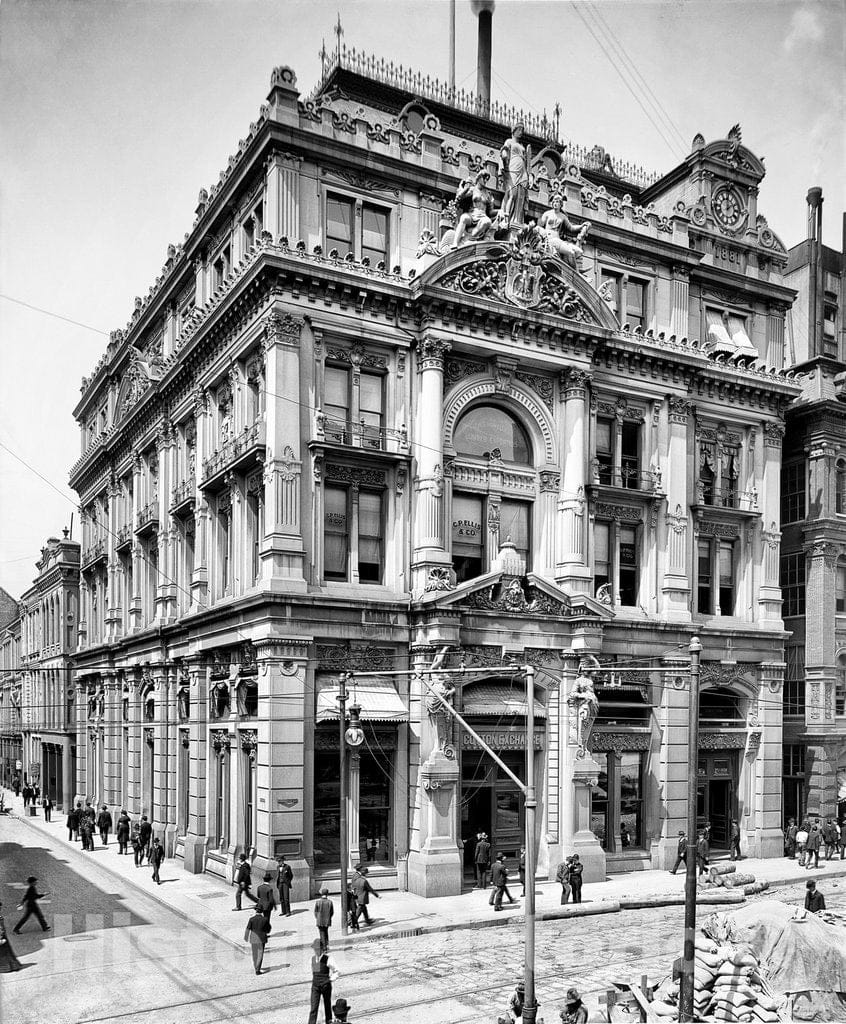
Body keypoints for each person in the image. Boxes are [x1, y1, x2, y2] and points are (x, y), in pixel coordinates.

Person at [308, 938, 339, 1024]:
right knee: (313, 1008)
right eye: (315, 949)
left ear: (322, 949)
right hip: (315, 987)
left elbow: (337, 971)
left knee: (327, 1007)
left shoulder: (328, 959)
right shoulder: (312, 959)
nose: (316, 951)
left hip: (326, 986)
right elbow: (316, 972)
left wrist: (330, 980)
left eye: (318, 949)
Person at [244, 907, 271, 975]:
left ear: (256, 911)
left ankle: (255, 965)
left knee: (255, 953)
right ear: (262, 912)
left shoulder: (251, 919)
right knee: (260, 954)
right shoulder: (265, 919)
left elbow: (248, 929)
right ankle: (257, 969)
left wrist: (246, 937)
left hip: (253, 939)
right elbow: (268, 929)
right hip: (262, 939)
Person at [0, 900, 22, 972]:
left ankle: (9, 966)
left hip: (2, 935)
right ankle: (11, 966)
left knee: (5, 952)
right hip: (1, 936)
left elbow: (1, 928)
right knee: (5, 952)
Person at [314, 886, 334, 953]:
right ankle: (326, 944)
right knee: (326, 932)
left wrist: (317, 918)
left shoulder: (318, 902)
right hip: (327, 920)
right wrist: (328, 917)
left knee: (322, 933)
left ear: (321, 894)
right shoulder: (330, 902)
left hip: (320, 920)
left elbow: (315, 912)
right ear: (327, 894)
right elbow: (332, 912)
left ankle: (324, 948)